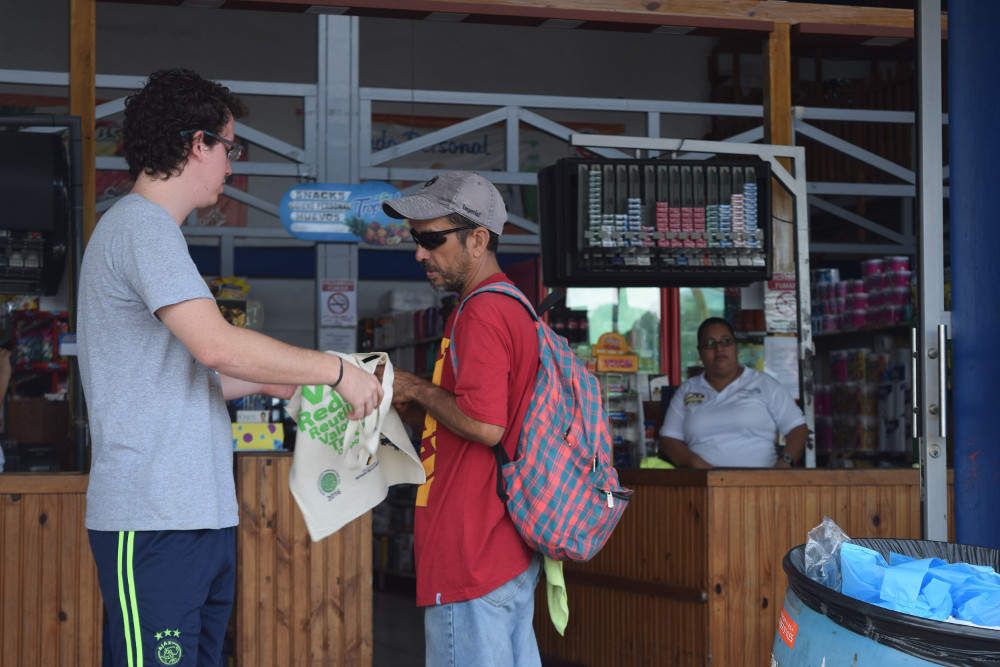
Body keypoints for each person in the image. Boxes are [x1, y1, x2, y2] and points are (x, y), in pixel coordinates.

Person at [76, 68, 382, 667]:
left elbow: (198, 373)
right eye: (229, 146)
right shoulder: (142, 228)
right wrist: (335, 372)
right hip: (154, 519)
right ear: (197, 144)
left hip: (193, 518)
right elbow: (217, 346)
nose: (231, 165)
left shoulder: (153, 234)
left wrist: (286, 380)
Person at [382, 171, 543, 666]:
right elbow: (478, 423)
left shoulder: (481, 311)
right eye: (416, 239)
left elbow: (485, 424)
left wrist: (414, 387)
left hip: (473, 547)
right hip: (501, 544)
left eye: (432, 239)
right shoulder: (511, 305)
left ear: (478, 239)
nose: (419, 253)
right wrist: (419, 410)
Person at [659, 317, 808, 468]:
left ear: (736, 346)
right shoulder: (687, 390)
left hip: (760, 484)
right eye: (709, 344)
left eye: (726, 341)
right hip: (704, 485)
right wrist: (696, 464)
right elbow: (669, 439)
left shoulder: (765, 384)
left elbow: (798, 428)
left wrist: (784, 463)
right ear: (700, 352)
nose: (719, 348)